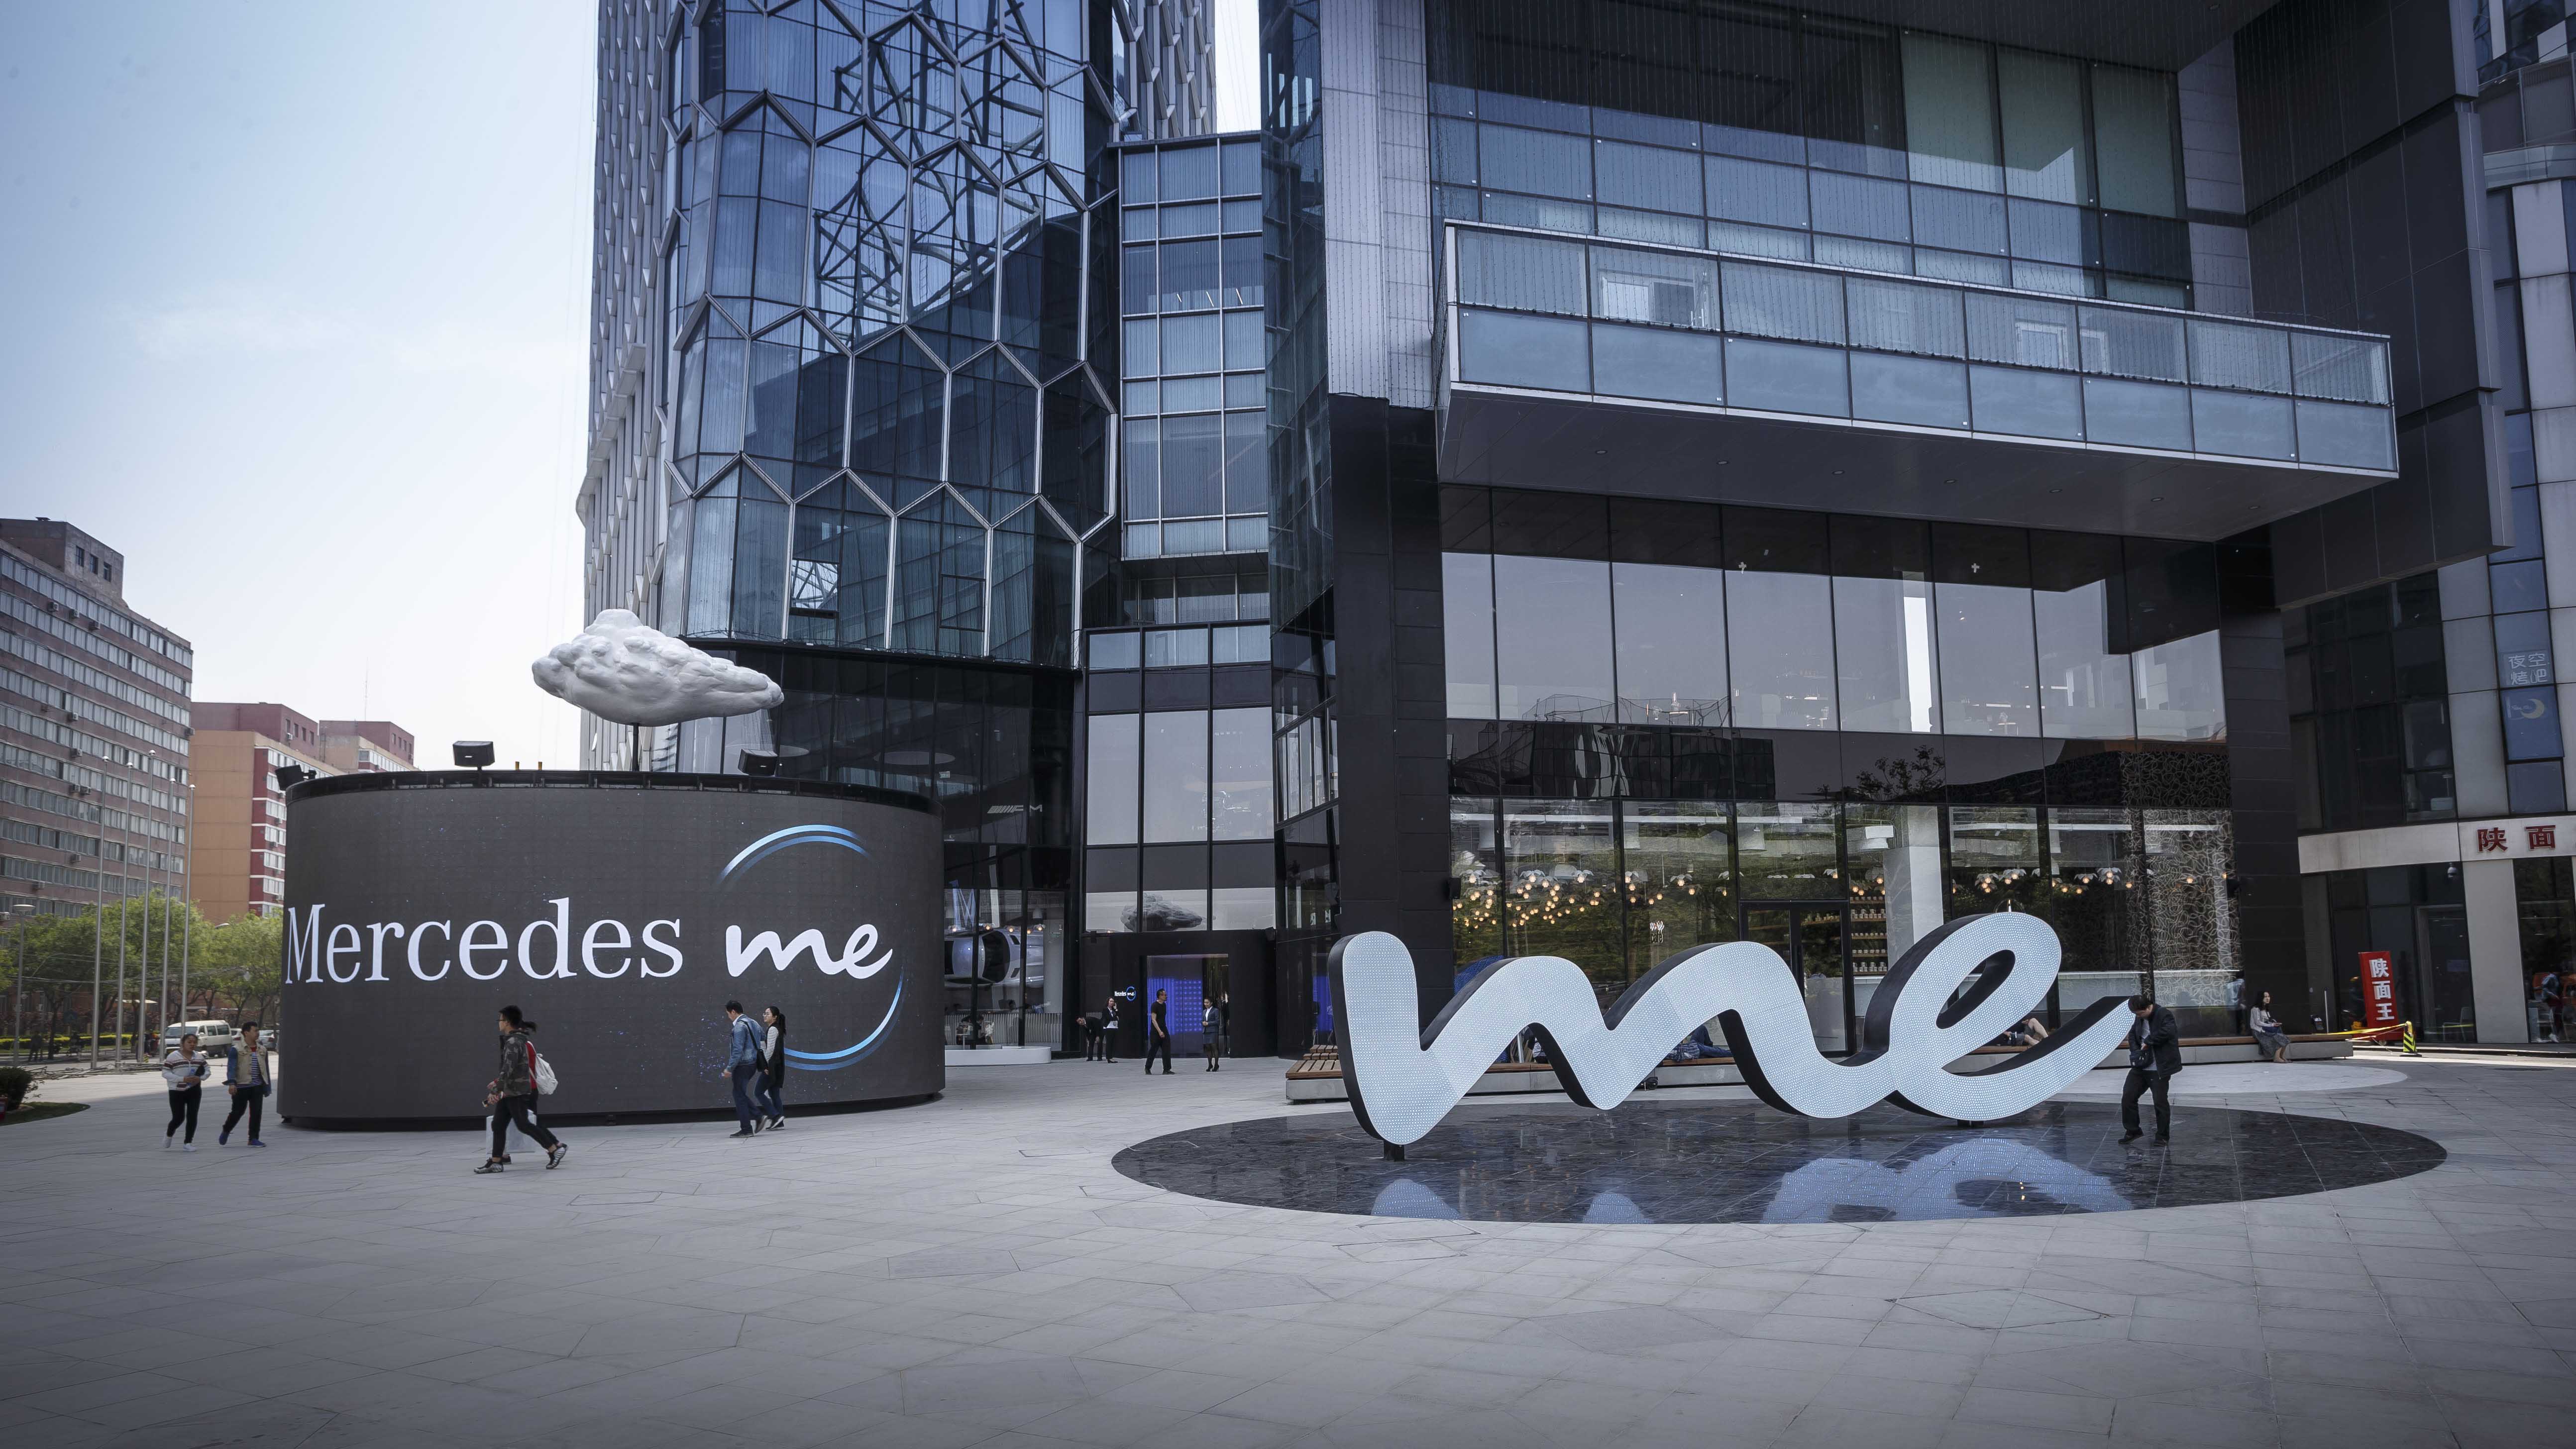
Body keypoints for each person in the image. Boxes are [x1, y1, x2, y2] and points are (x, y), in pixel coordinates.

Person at [478, 1006, 565, 1173]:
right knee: (498, 1124)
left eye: (500, 1020)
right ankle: (496, 1162)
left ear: (507, 1022)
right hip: (511, 1091)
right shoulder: (516, 1040)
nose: (499, 1023)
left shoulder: (513, 1042)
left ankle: (554, 1149)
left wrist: (495, 1090)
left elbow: (508, 1069)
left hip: (517, 1092)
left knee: (523, 1124)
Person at [2119, 993, 2183, 1143]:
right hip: (2141, 1066)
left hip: (2159, 1067)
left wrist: (2148, 1042)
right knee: (2128, 1096)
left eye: (2141, 1013)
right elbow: (2133, 1035)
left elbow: (2168, 1032)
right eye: (2136, 1014)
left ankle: (2162, 1136)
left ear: (2149, 1007)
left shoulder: (2164, 1014)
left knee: (2160, 1102)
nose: (2138, 1016)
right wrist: (2136, 1051)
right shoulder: (2139, 1017)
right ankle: (2133, 1130)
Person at [218, 1023, 270, 1147]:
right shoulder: (236, 1049)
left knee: (257, 1113)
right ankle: (227, 1129)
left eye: (258, 1030)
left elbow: (266, 1069)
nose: (258, 1033)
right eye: (255, 1031)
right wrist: (232, 1083)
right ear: (246, 1033)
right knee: (238, 1112)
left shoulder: (262, 1049)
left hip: (257, 1087)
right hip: (241, 1086)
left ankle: (253, 1138)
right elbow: (231, 1068)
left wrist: (267, 1087)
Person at [722, 1001, 763, 1138]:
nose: (728, 1016)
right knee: (739, 1094)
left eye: (728, 1014)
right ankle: (757, 1117)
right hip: (753, 1064)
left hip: (743, 1066)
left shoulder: (739, 1027)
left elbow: (737, 1050)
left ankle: (747, 1128)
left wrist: (730, 1068)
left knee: (739, 1096)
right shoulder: (754, 1022)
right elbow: (763, 1037)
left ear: (733, 1012)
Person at [162, 1032, 209, 1151]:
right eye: (189, 1042)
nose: (192, 1044)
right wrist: (182, 1079)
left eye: (194, 1042)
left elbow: (207, 1070)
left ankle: (188, 1142)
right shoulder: (173, 1056)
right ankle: (169, 1133)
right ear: (183, 1043)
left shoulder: (199, 1057)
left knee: (193, 1116)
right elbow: (165, 1073)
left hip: (194, 1090)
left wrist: (200, 1078)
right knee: (179, 1117)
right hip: (177, 1091)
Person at [754, 1005, 788, 1131]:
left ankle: (775, 1116)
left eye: (768, 1014)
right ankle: (779, 1123)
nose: (765, 1015)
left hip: (772, 1067)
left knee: (758, 1092)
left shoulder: (773, 1029)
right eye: (764, 1013)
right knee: (774, 1094)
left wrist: (765, 1066)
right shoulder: (773, 1029)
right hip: (776, 1067)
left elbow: (770, 1050)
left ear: (775, 1017)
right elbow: (766, 1048)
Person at [2250, 990, 2289, 1063]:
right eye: (2265, 997)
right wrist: (2271, 1025)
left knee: (2284, 1036)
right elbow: (2257, 1022)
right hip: (2258, 1031)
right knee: (2279, 1037)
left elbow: (2266, 1021)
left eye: (2268, 997)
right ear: (2261, 998)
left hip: (2265, 1029)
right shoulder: (2255, 1009)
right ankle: (2277, 1058)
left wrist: (2274, 1024)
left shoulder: (2265, 1008)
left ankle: (2280, 1056)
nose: (2268, 998)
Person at [1144, 988, 1173, 1075]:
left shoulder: (1164, 1005)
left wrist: (1163, 1031)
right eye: (1165, 995)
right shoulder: (1154, 1006)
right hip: (1156, 1031)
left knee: (1167, 1049)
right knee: (1154, 1050)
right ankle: (1148, 1067)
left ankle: (1167, 1069)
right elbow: (1154, 1020)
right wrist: (1160, 1032)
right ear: (1160, 996)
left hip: (1164, 1028)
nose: (1166, 996)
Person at [1201, 997, 1222, 1071]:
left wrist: (1208, 1023)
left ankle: (1216, 1065)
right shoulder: (1204, 1011)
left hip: (1213, 1031)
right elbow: (1203, 1020)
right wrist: (1203, 1023)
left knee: (1214, 1048)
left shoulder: (1216, 1010)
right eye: (1205, 1003)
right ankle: (1210, 1065)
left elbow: (1217, 1021)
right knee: (1208, 1048)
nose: (1206, 1004)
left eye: (1207, 1003)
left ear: (1211, 1003)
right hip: (1206, 1031)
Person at [1099, 995, 1121, 1064]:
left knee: (1112, 1043)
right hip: (1108, 1027)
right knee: (1109, 1043)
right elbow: (1109, 1018)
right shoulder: (1105, 1009)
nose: (1112, 1003)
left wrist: (1116, 1009)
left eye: (1113, 1002)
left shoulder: (1113, 1009)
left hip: (1114, 1027)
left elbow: (1119, 1015)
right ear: (1108, 1002)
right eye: (1111, 1001)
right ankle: (1109, 1058)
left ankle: (1111, 1057)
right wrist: (1116, 1018)